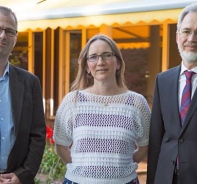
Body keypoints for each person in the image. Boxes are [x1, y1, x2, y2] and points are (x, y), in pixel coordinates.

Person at [53, 34, 151, 184]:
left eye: (107, 55)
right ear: (86, 66)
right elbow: (61, 145)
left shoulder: (136, 103)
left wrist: (122, 163)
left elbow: (145, 146)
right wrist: (81, 169)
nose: (100, 62)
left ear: (118, 63)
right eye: (93, 57)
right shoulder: (72, 101)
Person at [146, 3, 197, 184]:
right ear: (177, 37)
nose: (191, 38)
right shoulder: (163, 80)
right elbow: (156, 140)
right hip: (165, 178)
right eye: (186, 31)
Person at [0, 6, 46, 184]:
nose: (3, 36)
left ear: (15, 37)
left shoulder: (30, 82)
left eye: (9, 31)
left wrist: (23, 175)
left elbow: (38, 135)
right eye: (0, 29)